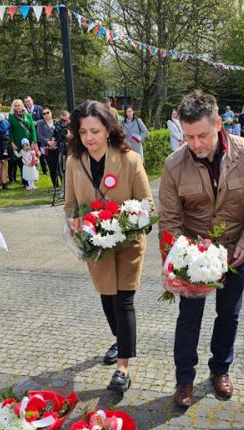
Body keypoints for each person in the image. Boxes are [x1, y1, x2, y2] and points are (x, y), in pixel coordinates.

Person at [159, 90, 244, 407]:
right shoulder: (174, 165)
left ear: (219, 124)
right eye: (189, 136)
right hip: (194, 255)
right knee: (189, 318)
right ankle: (184, 380)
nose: (195, 143)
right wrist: (180, 260)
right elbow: (169, 220)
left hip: (235, 250)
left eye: (202, 135)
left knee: (229, 314)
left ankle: (220, 369)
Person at [64, 100, 153, 394]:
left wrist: (122, 222)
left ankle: (122, 368)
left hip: (127, 244)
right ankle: (121, 340)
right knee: (107, 298)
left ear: (108, 129)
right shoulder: (74, 162)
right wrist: (78, 225)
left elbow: (147, 205)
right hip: (96, 247)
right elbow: (70, 206)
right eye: (83, 131)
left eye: (95, 131)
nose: (89, 138)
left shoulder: (130, 160)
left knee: (123, 301)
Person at [8, 98, 37, 186]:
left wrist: (34, 141)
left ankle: (27, 181)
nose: (17, 107)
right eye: (15, 106)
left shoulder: (28, 116)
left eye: (19, 105)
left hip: (27, 143)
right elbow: (10, 131)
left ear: (22, 106)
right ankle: (14, 179)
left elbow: (32, 129)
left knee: (27, 161)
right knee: (18, 161)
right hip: (16, 142)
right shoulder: (11, 117)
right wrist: (12, 142)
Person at [37, 107, 58, 186]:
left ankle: (64, 186)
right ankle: (55, 186)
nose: (46, 115)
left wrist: (55, 142)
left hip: (57, 147)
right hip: (46, 148)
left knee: (59, 167)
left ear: (51, 113)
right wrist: (48, 142)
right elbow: (39, 136)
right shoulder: (40, 124)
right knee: (51, 167)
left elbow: (59, 134)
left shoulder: (56, 122)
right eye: (44, 114)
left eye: (47, 112)